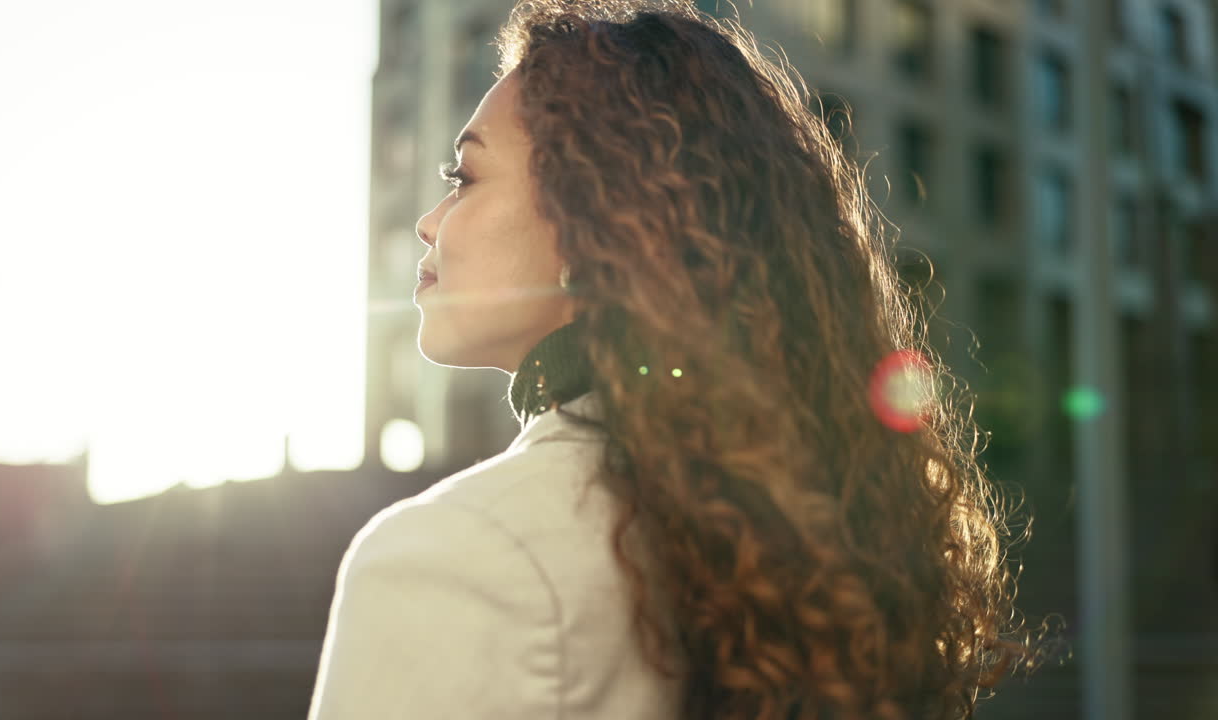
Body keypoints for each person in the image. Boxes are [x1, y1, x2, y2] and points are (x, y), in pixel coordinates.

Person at [307, 2, 1059, 719]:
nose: (427, 222)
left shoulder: (454, 559)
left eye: (462, 178)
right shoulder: (803, 538)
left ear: (585, 225)